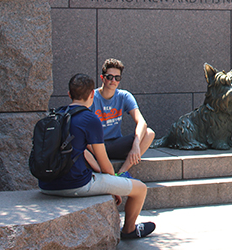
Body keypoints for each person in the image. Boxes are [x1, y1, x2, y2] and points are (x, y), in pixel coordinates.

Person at [40, 74, 155, 240]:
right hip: (75, 184)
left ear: (69, 94)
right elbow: (105, 163)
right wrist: (114, 186)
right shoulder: (90, 118)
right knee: (140, 189)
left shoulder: (57, 114)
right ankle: (129, 230)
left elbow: (82, 152)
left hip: (46, 184)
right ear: (92, 95)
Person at [90, 58, 155, 177]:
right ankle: (102, 171)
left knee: (149, 133)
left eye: (117, 78)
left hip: (116, 144)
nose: (113, 80)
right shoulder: (91, 97)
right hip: (96, 146)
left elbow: (141, 122)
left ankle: (121, 173)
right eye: (109, 77)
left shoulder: (124, 96)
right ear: (102, 78)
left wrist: (136, 143)